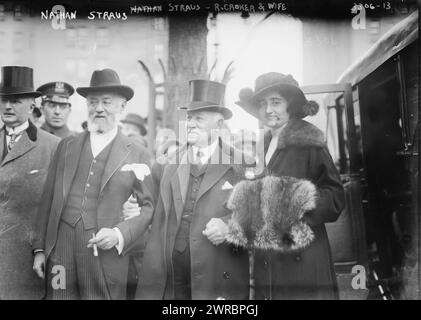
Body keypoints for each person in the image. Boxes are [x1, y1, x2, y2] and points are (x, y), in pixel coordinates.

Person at [32, 68, 154, 300]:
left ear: (122, 107)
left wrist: (119, 234)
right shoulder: (67, 146)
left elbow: (149, 208)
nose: (99, 108)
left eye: (107, 102)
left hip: (104, 255)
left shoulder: (138, 153)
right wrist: (39, 249)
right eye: (93, 102)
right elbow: (48, 199)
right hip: (61, 251)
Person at [136, 80, 251, 300]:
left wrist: (230, 226)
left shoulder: (242, 164)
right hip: (171, 276)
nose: (190, 124)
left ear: (218, 125)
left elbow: (259, 214)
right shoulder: (167, 163)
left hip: (217, 274)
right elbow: (148, 206)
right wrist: (133, 207)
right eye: (189, 118)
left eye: (199, 119)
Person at [235, 72, 345, 299]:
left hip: (302, 259)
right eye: (263, 103)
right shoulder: (262, 145)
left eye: (276, 102)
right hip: (269, 259)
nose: (268, 110)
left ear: (290, 105)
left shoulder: (309, 142)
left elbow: (335, 197)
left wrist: (294, 202)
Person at [0, 66, 60, 299]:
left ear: (32, 104)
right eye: (4, 100)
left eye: (15, 101)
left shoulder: (52, 146)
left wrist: (41, 250)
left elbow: (54, 206)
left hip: (25, 259)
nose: (7, 106)